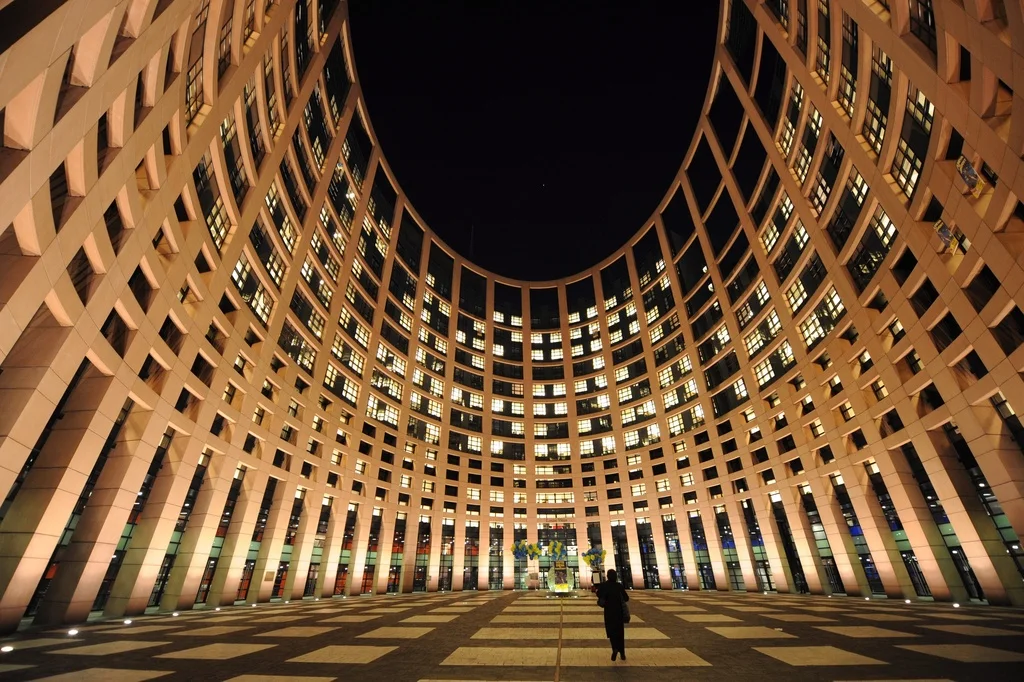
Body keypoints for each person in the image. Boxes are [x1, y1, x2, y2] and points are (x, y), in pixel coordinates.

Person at [596, 568, 629, 661]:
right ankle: (622, 653)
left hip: (609, 612)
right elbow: (626, 598)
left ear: (607, 576)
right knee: (620, 633)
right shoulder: (619, 586)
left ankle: (614, 648)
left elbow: (598, 594)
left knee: (611, 632)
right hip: (619, 612)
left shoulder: (604, 586)